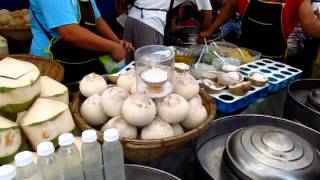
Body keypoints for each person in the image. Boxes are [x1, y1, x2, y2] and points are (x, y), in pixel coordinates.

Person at [29, 0, 133, 84]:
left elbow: (97, 19)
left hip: (78, 56)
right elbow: (69, 32)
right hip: (51, 65)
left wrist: (116, 41)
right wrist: (113, 47)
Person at [199, 0, 320, 62]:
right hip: (242, 59)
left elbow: (311, 28)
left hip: (272, 64)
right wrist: (210, 30)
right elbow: (231, 5)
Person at [123, 0, 213, 63]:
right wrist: (202, 34)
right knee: (149, 67)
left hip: (132, 18)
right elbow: (208, 17)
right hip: (149, 22)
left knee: (130, 67)